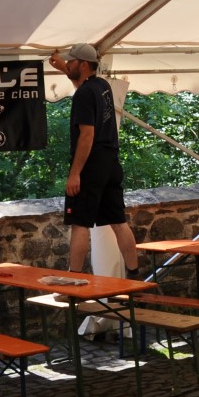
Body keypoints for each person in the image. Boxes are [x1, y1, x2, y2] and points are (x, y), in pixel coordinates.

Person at [49, 44, 139, 276]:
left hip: (91, 164)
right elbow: (82, 85)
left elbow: (87, 136)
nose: (68, 64)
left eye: (72, 61)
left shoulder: (83, 94)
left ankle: (74, 279)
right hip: (111, 162)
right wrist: (64, 69)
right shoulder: (102, 86)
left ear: (83, 65)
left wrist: (75, 173)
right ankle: (135, 276)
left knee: (80, 223)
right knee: (118, 221)